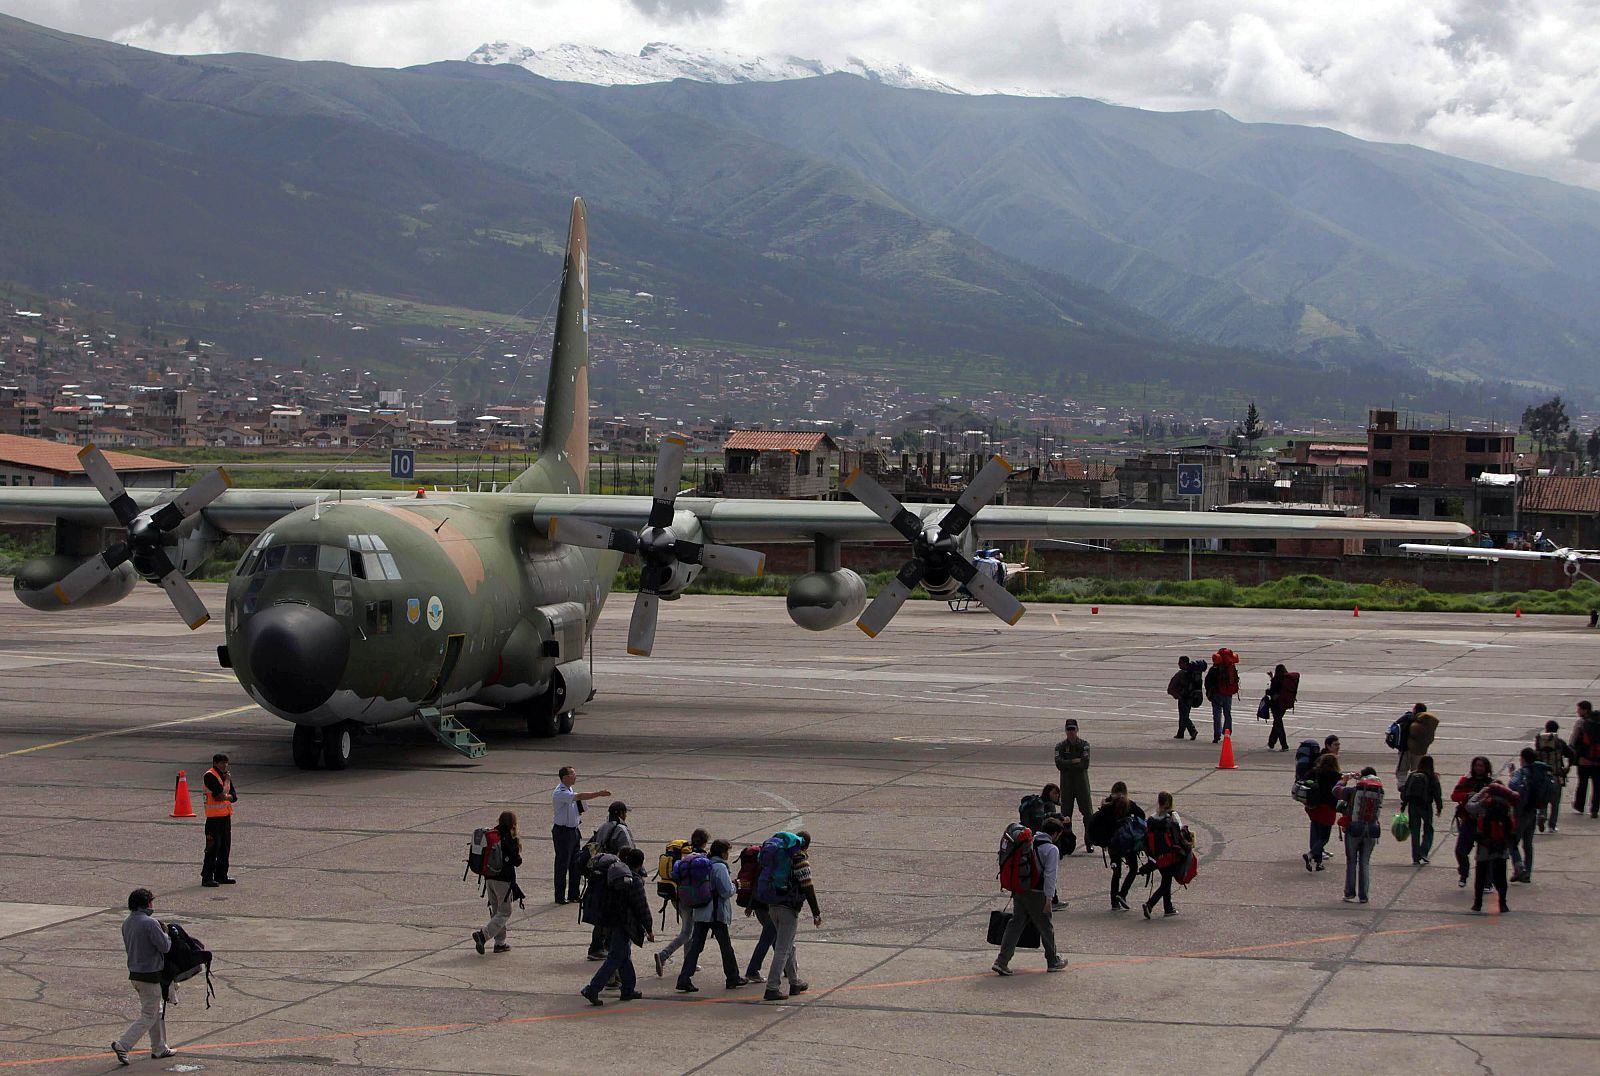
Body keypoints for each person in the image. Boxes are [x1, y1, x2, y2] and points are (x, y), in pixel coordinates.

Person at [993, 817, 1067, 975]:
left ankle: (1001, 961)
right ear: (1055, 834)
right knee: (1046, 928)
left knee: (1015, 924)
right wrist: (1049, 898)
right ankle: (1053, 960)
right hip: (1037, 894)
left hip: (1020, 889)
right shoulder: (1051, 849)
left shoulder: (1028, 841)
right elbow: (1050, 876)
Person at [580, 847, 652, 1005]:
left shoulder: (616, 874)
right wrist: (649, 928)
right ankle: (592, 989)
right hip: (623, 923)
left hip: (610, 919)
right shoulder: (634, 881)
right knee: (615, 958)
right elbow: (642, 907)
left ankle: (628, 989)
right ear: (640, 864)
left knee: (623, 956)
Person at [111, 888, 174, 1065]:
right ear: (146, 903)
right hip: (150, 975)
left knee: (156, 1011)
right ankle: (123, 1044)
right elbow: (164, 947)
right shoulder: (150, 923)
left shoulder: (127, 922)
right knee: (148, 1014)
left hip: (136, 974)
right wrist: (167, 934)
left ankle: (159, 1048)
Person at [675, 839, 745, 993]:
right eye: (727, 851)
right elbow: (726, 891)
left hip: (701, 912)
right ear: (722, 852)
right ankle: (733, 977)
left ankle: (684, 978)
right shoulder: (719, 867)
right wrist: (736, 886)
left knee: (696, 947)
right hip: (715, 914)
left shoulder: (705, 863)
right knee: (726, 947)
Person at [763, 830, 822, 1001]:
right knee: (782, 949)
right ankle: (772, 987)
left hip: (772, 905)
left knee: (789, 945)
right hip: (788, 909)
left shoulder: (781, 857)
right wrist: (816, 913)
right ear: (807, 845)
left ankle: (795, 982)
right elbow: (808, 887)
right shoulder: (800, 860)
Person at [653, 828, 710, 978]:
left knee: (688, 929)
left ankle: (688, 960)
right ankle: (663, 955)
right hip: (689, 898)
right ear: (705, 842)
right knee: (686, 932)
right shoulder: (700, 858)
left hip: (675, 895)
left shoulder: (684, 855)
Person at [551, 766, 610, 905]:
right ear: (564, 777)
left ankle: (574, 894)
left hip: (574, 831)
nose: (575, 776)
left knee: (575, 863)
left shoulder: (570, 789)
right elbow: (579, 796)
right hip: (562, 832)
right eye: (572, 774)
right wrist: (598, 793)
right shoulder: (560, 792)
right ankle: (559, 896)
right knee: (562, 864)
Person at [585, 802, 636, 960]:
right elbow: (629, 851)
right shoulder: (621, 829)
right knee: (614, 911)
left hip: (601, 873)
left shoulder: (603, 827)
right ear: (621, 813)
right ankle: (606, 945)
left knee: (603, 910)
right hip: (615, 875)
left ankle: (596, 946)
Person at [471, 811, 524, 955]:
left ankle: (500, 943)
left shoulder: (492, 835)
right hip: (503, 880)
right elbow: (517, 861)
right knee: (505, 911)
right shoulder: (508, 838)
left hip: (489, 878)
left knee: (497, 912)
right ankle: (483, 935)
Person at [1466, 781, 1520, 913]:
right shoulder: (1506, 804)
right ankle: (1503, 903)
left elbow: (1469, 807)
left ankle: (1477, 903)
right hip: (1501, 843)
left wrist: (1480, 795)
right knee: (1501, 875)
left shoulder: (1485, 803)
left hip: (1484, 843)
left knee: (1481, 874)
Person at [1335, 767, 1384, 903]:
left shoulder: (1355, 790)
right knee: (1365, 862)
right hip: (1372, 828)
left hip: (1355, 828)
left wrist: (1343, 780)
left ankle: (1350, 892)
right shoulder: (1379, 790)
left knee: (1351, 861)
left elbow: (1336, 792)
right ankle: (1364, 895)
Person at [1097, 781, 1146, 911]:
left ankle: (1114, 902)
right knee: (1133, 868)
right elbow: (1142, 815)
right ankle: (1122, 893)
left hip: (1112, 844)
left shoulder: (1106, 805)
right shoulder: (1128, 804)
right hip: (1126, 842)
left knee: (1116, 873)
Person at [1141, 791, 1189, 918]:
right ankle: (1150, 904)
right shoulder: (1172, 816)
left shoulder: (1151, 818)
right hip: (1170, 855)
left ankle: (1168, 907)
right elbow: (1179, 834)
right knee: (1166, 884)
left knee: (1166, 879)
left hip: (1157, 856)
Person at [1508, 748, 1552, 883]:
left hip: (1520, 812)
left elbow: (1512, 785)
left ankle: (1519, 868)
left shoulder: (1522, 773)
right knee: (1528, 844)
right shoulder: (1541, 772)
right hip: (1533, 811)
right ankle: (1527, 872)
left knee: (1512, 842)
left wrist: (1512, 774)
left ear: (1523, 759)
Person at [1451, 756, 1495, 889]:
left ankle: (1488, 882)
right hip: (1469, 821)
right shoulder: (1466, 780)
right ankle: (1464, 874)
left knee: (1485, 855)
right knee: (1460, 851)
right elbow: (1454, 796)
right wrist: (1468, 795)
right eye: (1476, 765)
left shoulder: (1492, 783)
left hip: (1485, 824)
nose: (1478, 768)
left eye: (1481, 766)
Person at [1053, 719, 1093, 848]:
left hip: (1082, 785)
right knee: (1065, 815)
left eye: (1073, 729)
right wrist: (1073, 761)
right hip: (1067, 786)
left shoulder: (1084, 745)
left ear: (1077, 730)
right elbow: (1059, 764)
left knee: (1088, 814)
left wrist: (1068, 763)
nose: (1071, 732)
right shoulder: (1060, 746)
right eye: (1068, 730)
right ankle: (1066, 843)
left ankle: (1089, 842)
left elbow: (1084, 764)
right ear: (1065, 731)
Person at [200, 753, 238, 888]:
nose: (225, 765)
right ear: (215, 763)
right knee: (212, 848)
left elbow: (234, 796)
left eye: (226, 763)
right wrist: (227, 786)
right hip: (213, 819)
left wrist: (226, 796)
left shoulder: (224, 775)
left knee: (225, 847)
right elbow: (218, 796)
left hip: (225, 817)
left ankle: (221, 875)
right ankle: (207, 877)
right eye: (222, 763)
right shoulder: (210, 776)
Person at [1399, 755, 1443, 865]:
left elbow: (1405, 791)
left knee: (1415, 831)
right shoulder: (1432, 777)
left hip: (1412, 805)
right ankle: (1423, 851)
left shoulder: (1413, 775)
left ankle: (1415, 857)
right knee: (1428, 829)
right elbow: (1437, 793)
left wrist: (1403, 805)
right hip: (1425, 805)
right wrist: (1439, 807)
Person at [1534, 720, 1575, 832]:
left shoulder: (1539, 741)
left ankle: (1542, 816)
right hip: (1556, 775)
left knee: (1542, 799)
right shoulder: (1559, 742)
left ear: (1546, 728)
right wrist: (1567, 767)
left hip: (1542, 777)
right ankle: (1552, 825)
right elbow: (1572, 754)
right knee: (1555, 803)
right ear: (1557, 730)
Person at [1303, 752, 1341, 872]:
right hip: (1328, 808)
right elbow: (1339, 790)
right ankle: (1311, 854)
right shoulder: (1335, 775)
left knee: (1315, 832)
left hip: (1313, 807)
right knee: (1324, 837)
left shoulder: (1314, 772)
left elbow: (1304, 780)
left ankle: (1318, 862)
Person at [1571, 700, 1600, 818]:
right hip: (1598, 760)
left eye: (1579, 709)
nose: (1577, 711)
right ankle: (1594, 809)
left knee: (1582, 783)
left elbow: (1574, 740)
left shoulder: (1581, 723)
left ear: (1585, 710)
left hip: (1584, 759)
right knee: (1597, 785)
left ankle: (1579, 805)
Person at [1204, 648, 1240, 743]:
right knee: (1227, 713)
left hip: (1217, 694)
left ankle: (1217, 735)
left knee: (1217, 715)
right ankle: (1227, 733)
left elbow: (1207, 682)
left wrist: (1209, 692)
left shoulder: (1214, 669)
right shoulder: (1231, 668)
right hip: (1228, 694)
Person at [1396, 703, 1438, 780]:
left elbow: (1397, 725)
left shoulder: (1409, 718)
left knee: (1402, 770)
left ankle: (1402, 786)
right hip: (1420, 750)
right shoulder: (1428, 722)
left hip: (1406, 749)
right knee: (1417, 770)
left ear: (1415, 710)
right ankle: (1416, 783)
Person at [1167, 656, 1202, 740]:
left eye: (1180, 662)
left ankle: (1192, 730)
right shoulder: (1193, 673)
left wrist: (1175, 694)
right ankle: (1180, 733)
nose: (1178, 664)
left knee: (1184, 716)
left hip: (1184, 697)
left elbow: (1172, 685)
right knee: (1184, 715)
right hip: (1191, 696)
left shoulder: (1181, 674)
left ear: (1185, 663)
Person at [1266, 664, 1298, 751]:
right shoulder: (1286, 680)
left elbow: (1272, 691)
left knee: (1278, 724)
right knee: (1277, 723)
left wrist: (1268, 691)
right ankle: (1271, 743)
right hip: (1284, 704)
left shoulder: (1276, 680)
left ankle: (1284, 745)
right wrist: (1271, 677)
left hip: (1276, 705)